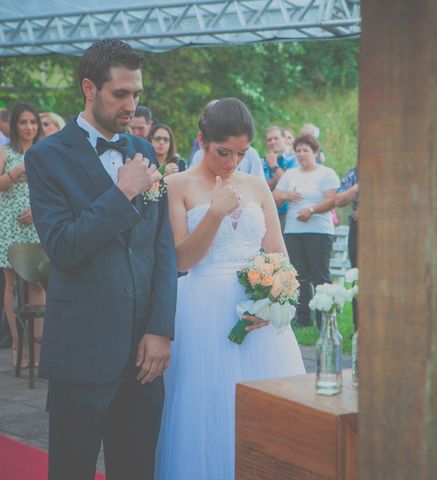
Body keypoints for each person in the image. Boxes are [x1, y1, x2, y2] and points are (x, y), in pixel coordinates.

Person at [25, 39, 177, 479]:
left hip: (144, 353)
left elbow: (161, 247)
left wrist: (160, 328)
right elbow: (64, 248)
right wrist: (122, 191)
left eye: (137, 94)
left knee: (136, 470)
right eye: (121, 94)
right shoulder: (45, 157)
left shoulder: (144, 152)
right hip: (82, 350)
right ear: (89, 88)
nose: (131, 105)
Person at [156, 98, 305, 479]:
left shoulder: (257, 185)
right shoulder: (176, 185)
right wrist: (215, 212)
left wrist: (275, 299)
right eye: (223, 152)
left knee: (267, 411)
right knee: (207, 408)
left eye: (241, 153)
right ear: (201, 140)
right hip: (202, 310)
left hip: (258, 318)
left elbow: (279, 256)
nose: (231, 162)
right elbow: (180, 260)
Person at [273, 134, 340, 327]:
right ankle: (303, 317)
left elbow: (332, 199)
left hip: (319, 230)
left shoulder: (326, 173)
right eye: (298, 150)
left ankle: (324, 317)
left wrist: (311, 210)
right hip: (294, 231)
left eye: (306, 150)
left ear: (316, 152)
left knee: (320, 275)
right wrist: (287, 194)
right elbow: (275, 196)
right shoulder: (290, 174)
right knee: (297, 274)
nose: (301, 154)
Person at [0, 102, 45, 369]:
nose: (29, 127)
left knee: (37, 283)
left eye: (33, 122)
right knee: (11, 283)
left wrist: (38, 210)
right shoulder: (5, 152)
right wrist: (16, 171)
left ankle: (39, 348)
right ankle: (18, 345)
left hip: (38, 222)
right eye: (23, 122)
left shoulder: (45, 152)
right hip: (9, 224)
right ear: (14, 126)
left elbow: (56, 188)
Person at [335, 166, 359, 328]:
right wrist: (358, 187)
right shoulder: (353, 173)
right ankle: (359, 327)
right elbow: (339, 200)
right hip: (358, 227)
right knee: (356, 275)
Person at [262, 126, 298, 229]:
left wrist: (274, 166)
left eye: (276, 138)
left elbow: (292, 185)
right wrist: (277, 178)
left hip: (287, 214)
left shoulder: (294, 160)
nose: (272, 142)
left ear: (284, 139)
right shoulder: (262, 162)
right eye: (269, 140)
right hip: (266, 213)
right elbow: (259, 187)